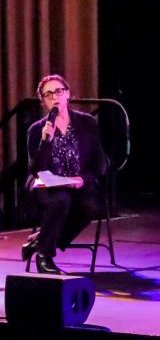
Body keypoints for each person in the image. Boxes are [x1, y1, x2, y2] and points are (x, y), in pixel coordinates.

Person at [23, 75, 108, 274]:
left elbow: (100, 163)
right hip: (47, 185)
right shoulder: (36, 130)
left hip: (77, 183)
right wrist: (46, 141)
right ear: (43, 102)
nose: (54, 97)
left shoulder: (87, 123)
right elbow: (35, 169)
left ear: (68, 94)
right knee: (61, 199)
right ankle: (44, 257)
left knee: (91, 206)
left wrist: (82, 180)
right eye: (48, 94)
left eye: (59, 91)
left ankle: (41, 240)